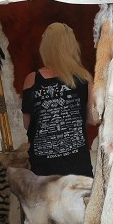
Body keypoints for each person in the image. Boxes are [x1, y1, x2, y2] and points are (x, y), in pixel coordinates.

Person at [21, 22, 94, 177]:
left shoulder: (32, 79)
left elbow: (27, 124)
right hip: (78, 168)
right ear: (72, 46)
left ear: (45, 47)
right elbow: (92, 118)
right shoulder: (84, 78)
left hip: (44, 170)